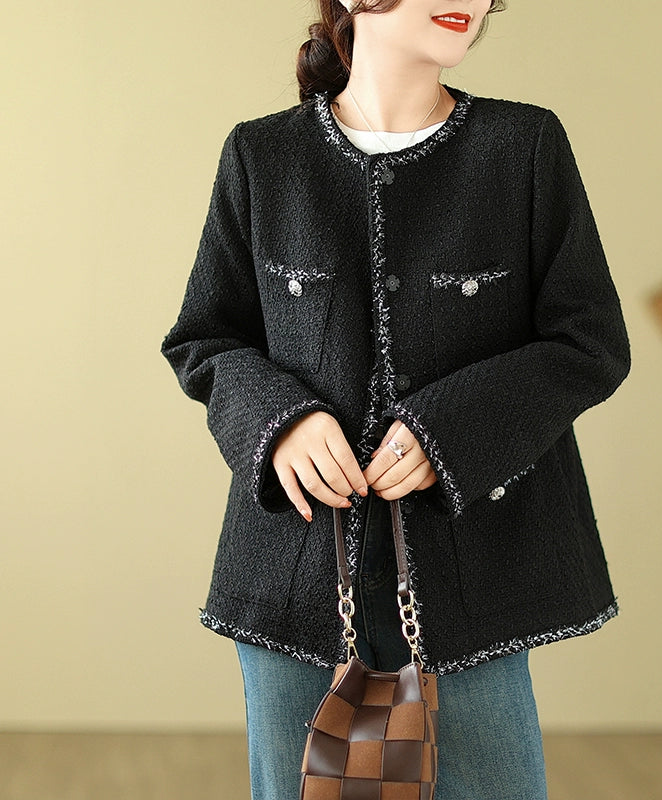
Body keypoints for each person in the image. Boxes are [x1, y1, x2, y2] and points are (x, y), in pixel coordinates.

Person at [160, 1, 631, 797]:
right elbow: (204, 339)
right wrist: (282, 422)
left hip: (475, 571)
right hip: (291, 576)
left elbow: (589, 342)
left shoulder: (524, 146)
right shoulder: (262, 155)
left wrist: (451, 430)